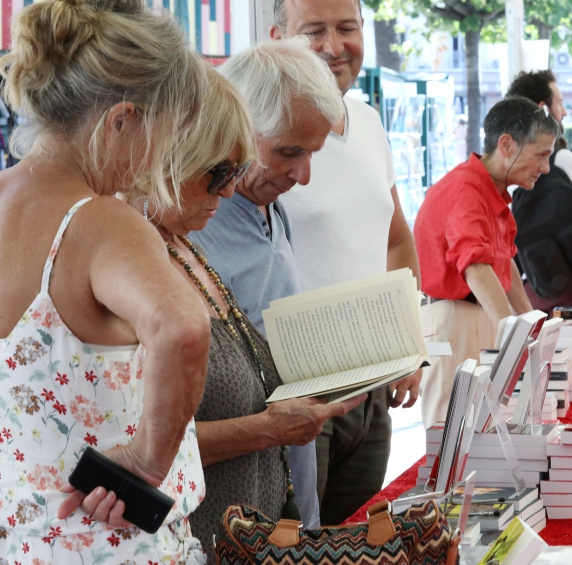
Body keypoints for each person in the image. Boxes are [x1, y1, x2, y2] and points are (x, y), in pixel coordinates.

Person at [0, 0, 212, 559]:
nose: (163, 156)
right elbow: (183, 327)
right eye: (169, 131)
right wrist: (146, 460)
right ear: (121, 120)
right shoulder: (98, 223)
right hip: (112, 547)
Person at [142, 64, 365, 552]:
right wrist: (265, 429)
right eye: (219, 172)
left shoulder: (187, 239)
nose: (227, 191)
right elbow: (132, 448)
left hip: (259, 523)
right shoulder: (139, 256)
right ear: (167, 158)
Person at [270, 0, 423, 524]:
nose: (335, 47)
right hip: (297, 391)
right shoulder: (258, 132)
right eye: (314, 31)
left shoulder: (369, 121)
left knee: (354, 537)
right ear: (276, 38)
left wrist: (407, 344)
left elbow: (397, 240)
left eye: (348, 29)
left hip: (372, 384)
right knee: (301, 540)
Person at [190, 38, 345, 530]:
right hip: (228, 509)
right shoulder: (193, 223)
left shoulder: (271, 206)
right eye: (288, 152)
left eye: (312, 154)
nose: (302, 174)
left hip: (286, 485)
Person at [414, 96, 559, 428]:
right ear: (506, 145)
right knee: (451, 437)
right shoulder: (467, 186)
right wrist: (515, 332)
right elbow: (475, 266)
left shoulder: (490, 189)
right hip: (453, 320)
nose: (546, 167)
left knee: (479, 431)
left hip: (475, 317)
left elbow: (503, 265)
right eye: (541, 154)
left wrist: (530, 326)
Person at [506, 70, 572, 311]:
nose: (565, 111)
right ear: (544, 109)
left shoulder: (506, 162)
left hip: (531, 284)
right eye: (559, 103)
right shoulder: (562, 159)